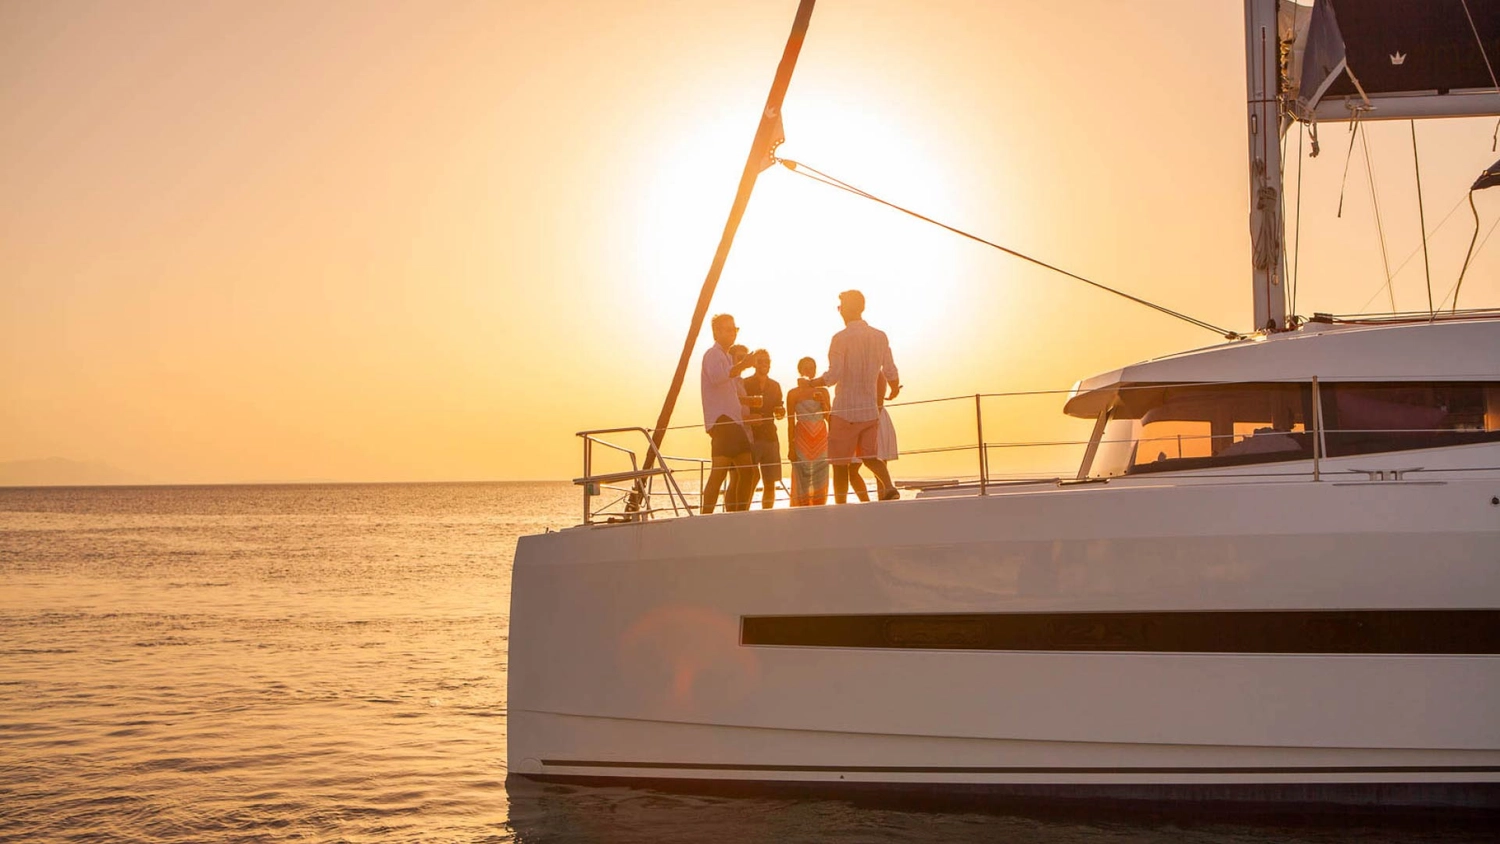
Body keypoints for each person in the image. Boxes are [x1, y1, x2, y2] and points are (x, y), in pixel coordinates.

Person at [810, 290, 901, 502]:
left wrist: (812, 383)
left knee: (840, 464)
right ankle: (888, 486)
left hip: (845, 411)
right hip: (869, 411)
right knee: (870, 457)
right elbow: (890, 369)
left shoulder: (840, 339)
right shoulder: (880, 336)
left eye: (840, 306)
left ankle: (841, 506)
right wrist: (894, 387)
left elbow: (834, 375)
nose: (839, 311)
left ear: (849, 309)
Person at [699, 315, 754, 513]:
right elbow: (717, 378)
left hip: (733, 422)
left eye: (734, 329)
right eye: (728, 329)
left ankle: (738, 513)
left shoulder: (726, 356)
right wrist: (743, 365)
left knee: (747, 472)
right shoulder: (712, 355)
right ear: (717, 332)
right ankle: (707, 515)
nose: (732, 333)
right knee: (721, 472)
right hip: (723, 421)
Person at [741, 349, 785, 510]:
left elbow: (779, 405)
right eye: (761, 361)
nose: (765, 364)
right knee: (750, 479)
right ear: (754, 363)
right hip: (751, 437)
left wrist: (780, 411)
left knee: (770, 481)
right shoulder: (745, 383)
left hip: (770, 436)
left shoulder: (775, 386)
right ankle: (744, 511)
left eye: (767, 361)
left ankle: (767, 515)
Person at [785, 356, 830, 506]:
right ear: (800, 371)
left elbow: (830, 418)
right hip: (801, 435)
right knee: (801, 473)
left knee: (821, 473)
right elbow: (790, 421)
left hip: (821, 435)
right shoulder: (793, 393)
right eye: (806, 368)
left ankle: (819, 506)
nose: (809, 371)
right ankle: (801, 508)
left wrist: (823, 403)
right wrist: (791, 447)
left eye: (812, 368)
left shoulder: (823, 391)